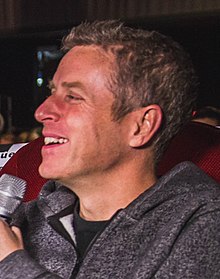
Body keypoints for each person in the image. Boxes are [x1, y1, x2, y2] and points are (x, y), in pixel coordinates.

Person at [0, 20, 220, 279]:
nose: (42, 112)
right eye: (52, 92)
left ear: (140, 126)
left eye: (73, 96)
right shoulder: (24, 219)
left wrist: (13, 266)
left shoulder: (203, 225)